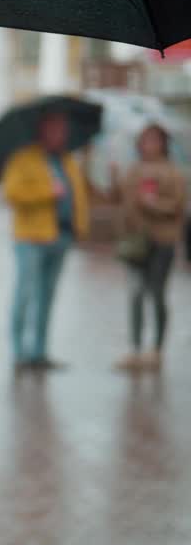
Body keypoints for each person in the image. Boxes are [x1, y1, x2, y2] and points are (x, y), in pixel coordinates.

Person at [1, 112, 89, 370]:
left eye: (62, 130)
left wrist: (80, 226)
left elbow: (78, 196)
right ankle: (20, 352)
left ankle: (39, 351)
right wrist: (46, 192)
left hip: (60, 235)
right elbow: (11, 193)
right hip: (30, 236)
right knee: (25, 294)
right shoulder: (24, 159)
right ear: (42, 131)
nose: (59, 135)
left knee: (47, 296)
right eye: (53, 129)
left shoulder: (68, 161)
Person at [113, 124, 186, 371]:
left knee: (156, 293)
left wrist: (153, 204)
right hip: (137, 240)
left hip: (162, 240)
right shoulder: (133, 170)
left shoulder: (173, 172)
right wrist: (113, 178)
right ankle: (135, 349)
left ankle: (156, 349)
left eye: (154, 140)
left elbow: (177, 207)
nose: (149, 145)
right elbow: (118, 199)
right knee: (135, 293)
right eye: (145, 140)